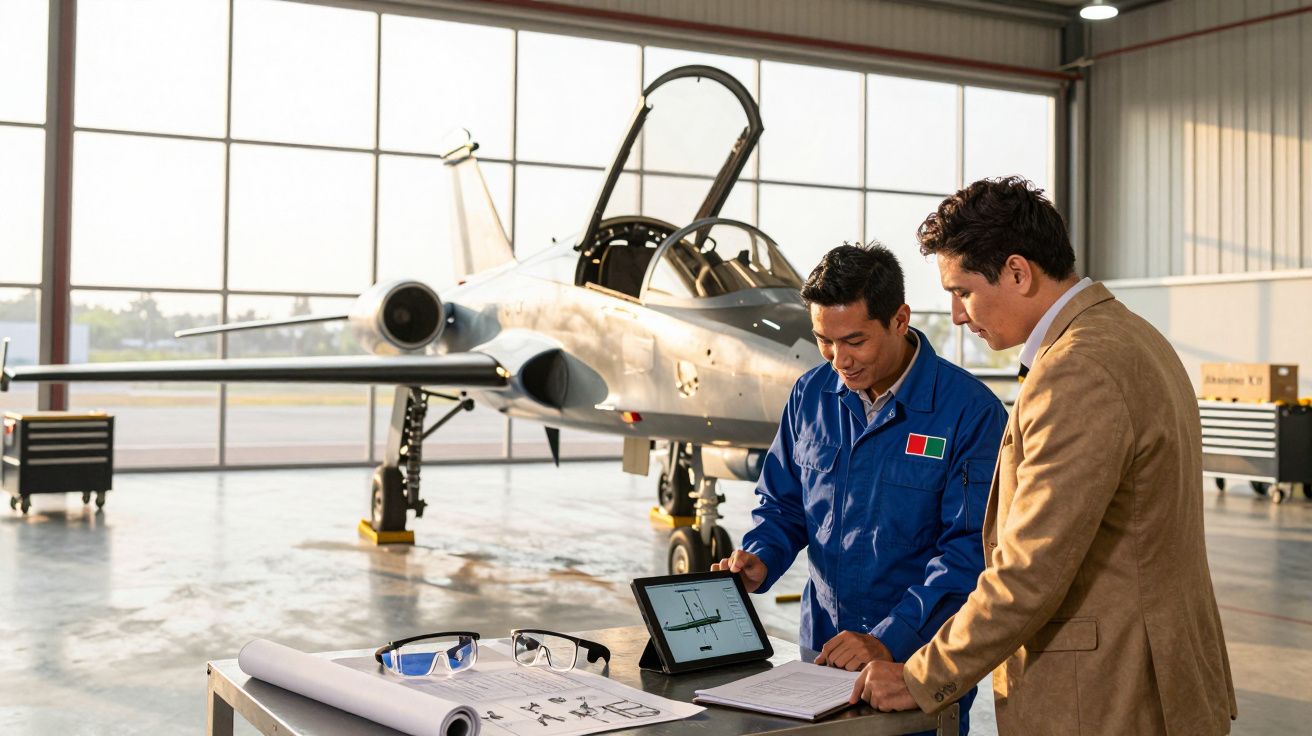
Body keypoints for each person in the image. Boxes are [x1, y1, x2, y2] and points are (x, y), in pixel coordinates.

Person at [851, 177, 1237, 734]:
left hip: (1111, 695)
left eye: (962, 291)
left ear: (1017, 272)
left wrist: (919, 676)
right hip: (1154, 677)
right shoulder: (1132, 336)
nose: (957, 315)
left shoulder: (1077, 370)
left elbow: (1030, 569)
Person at [712, 242, 1007, 735]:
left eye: (854, 341)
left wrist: (890, 639)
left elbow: (969, 554)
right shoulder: (812, 394)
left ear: (899, 319)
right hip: (820, 661)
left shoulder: (970, 413)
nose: (838, 361)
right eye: (824, 341)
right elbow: (784, 504)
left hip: (915, 670)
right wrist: (761, 556)